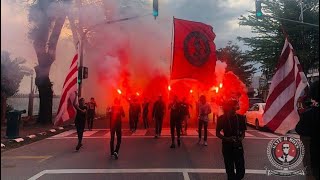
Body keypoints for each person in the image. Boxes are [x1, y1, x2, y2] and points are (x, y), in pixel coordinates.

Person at [217, 99, 246, 180]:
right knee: (230, 171)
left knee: (241, 172)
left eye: (235, 105)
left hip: (238, 147)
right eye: (231, 106)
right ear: (228, 107)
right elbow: (217, 133)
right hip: (227, 147)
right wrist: (227, 138)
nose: (234, 107)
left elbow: (243, 133)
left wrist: (240, 138)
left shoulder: (241, 118)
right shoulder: (221, 118)